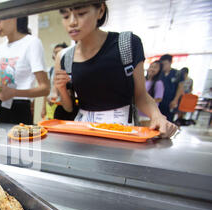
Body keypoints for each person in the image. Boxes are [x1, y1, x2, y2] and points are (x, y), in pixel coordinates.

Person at [54, 2, 177, 138]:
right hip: (81, 132)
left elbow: (141, 96)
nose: (72, 22)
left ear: (100, 11)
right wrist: (61, 89)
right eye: (65, 16)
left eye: (81, 14)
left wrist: (157, 116)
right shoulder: (64, 57)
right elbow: (69, 108)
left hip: (121, 131)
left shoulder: (126, 44)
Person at [0, 16, 50, 124]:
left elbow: (45, 88)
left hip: (20, 109)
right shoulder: (1, 48)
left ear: (14, 17)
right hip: (0, 107)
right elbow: (0, 85)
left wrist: (14, 92)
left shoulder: (32, 43)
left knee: (20, 141)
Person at [41, 43, 78, 121]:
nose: (57, 55)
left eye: (59, 52)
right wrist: (44, 107)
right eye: (55, 53)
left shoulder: (70, 69)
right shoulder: (50, 70)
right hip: (52, 104)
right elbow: (47, 90)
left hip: (66, 104)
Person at [159, 54, 184, 122]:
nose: (163, 65)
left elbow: (180, 87)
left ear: (170, 63)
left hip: (170, 101)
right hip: (159, 101)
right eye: (162, 64)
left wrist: (175, 100)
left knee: (168, 120)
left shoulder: (177, 73)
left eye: (165, 63)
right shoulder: (160, 73)